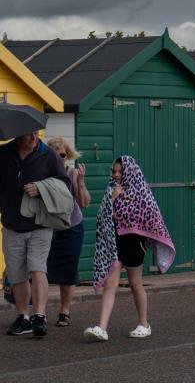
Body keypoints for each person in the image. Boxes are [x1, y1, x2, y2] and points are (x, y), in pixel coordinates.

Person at [84, 156, 176, 341]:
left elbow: (153, 216)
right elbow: (102, 216)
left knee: (135, 284)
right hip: (114, 242)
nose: (117, 175)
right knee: (111, 283)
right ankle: (102, 328)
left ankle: (144, 323)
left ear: (130, 172)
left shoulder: (141, 191)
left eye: (121, 171)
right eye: (114, 171)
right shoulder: (111, 190)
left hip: (134, 243)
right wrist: (112, 198)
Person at [0, 130, 70, 338]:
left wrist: (41, 188)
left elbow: (64, 185)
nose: (34, 138)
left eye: (36, 134)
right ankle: (23, 317)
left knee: (37, 268)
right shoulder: (3, 153)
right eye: (29, 135)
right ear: (17, 135)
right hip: (12, 223)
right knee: (16, 274)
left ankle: (39, 316)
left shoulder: (49, 155)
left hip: (40, 223)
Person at [44, 137, 90, 327]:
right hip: (49, 228)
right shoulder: (43, 175)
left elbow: (85, 203)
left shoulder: (72, 173)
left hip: (72, 228)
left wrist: (80, 183)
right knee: (42, 271)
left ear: (68, 156)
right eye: (54, 154)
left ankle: (65, 311)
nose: (59, 158)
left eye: (62, 154)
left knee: (68, 271)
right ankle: (41, 313)